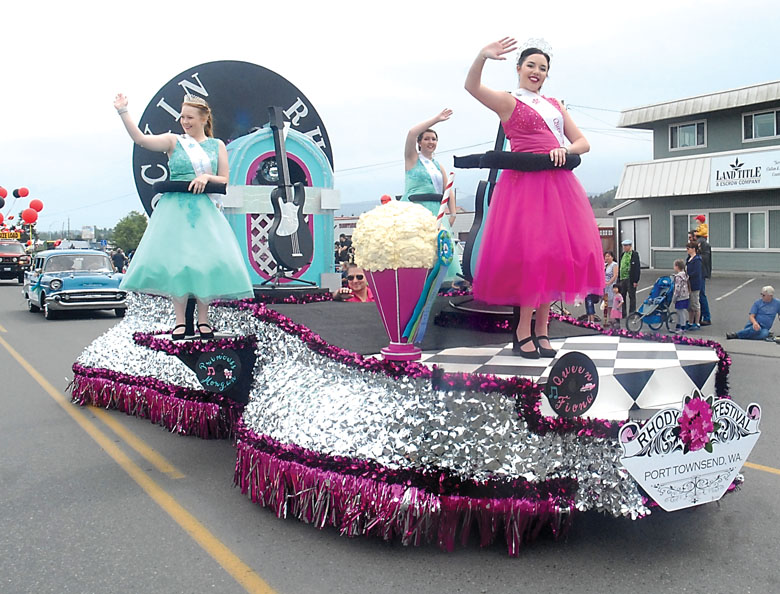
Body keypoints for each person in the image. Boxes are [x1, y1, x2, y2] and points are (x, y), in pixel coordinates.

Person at [464, 38, 602, 358]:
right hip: (524, 186)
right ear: (518, 69)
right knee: (533, 257)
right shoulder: (508, 101)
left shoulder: (554, 104)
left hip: (558, 185)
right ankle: (522, 329)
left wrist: (564, 150)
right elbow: (471, 86)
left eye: (543, 68)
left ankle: (543, 328)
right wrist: (482, 56)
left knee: (553, 257)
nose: (536, 71)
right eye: (531, 65)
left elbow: (582, 142)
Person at [113, 93, 253, 340]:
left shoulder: (217, 145)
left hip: (204, 210)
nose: (184, 121)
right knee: (178, 263)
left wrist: (206, 177)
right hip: (175, 210)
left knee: (204, 263)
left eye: (189, 117)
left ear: (203, 117)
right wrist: (123, 112)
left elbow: (224, 179)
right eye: (182, 116)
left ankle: (204, 319)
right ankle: (179, 321)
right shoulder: (174, 141)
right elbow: (141, 140)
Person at [401, 110, 463, 283]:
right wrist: (436, 120)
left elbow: (448, 189)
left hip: (437, 211)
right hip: (416, 210)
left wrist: (453, 213)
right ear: (419, 143)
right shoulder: (412, 159)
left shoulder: (438, 165)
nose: (430, 142)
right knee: (418, 248)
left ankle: (441, 285)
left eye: (434, 139)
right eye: (426, 138)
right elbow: (412, 132)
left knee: (441, 248)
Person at [618, 239, 641, 317]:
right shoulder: (622, 255)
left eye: (626, 246)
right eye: (623, 246)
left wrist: (635, 280)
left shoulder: (634, 254)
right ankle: (623, 313)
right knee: (622, 296)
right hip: (622, 278)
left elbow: (637, 268)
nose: (624, 247)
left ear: (630, 246)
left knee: (632, 296)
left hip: (630, 278)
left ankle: (632, 313)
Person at [695, 228, 712, 326]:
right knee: (698, 296)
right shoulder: (700, 243)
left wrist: (697, 254)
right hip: (698, 273)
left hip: (701, 273)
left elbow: (705, 258)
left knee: (701, 295)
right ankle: (699, 316)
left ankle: (706, 317)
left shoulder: (703, 244)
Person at [685, 241, 703, 330]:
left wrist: (687, 276)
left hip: (694, 284)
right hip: (687, 285)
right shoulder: (688, 258)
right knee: (690, 305)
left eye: (688, 248)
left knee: (695, 304)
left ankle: (697, 322)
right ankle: (690, 321)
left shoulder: (697, 259)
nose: (687, 250)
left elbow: (696, 272)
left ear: (693, 249)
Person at [671, 259, 690, 333]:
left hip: (680, 296)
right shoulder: (684, 275)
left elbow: (677, 288)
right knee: (680, 311)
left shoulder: (678, 277)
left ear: (677, 267)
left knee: (680, 312)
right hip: (685, 295)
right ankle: (679, 325)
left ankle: (682, 326)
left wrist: (674, 297)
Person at [603, 251, 618, 321]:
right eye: (606, 256)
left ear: (612, 257)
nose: (607, 258)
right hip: (605, 286)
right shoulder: (605, 265)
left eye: (609, 256)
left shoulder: (614, 265)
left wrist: (609, 282)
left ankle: (614, 319)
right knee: (607, 304)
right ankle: (609, 319)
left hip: (611, 286)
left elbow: (615, 275)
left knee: (612, 303)